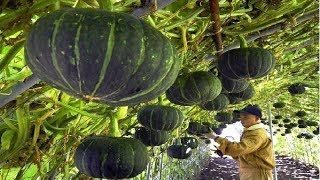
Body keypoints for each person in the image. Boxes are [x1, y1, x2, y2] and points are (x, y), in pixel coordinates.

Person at [204, 105, 276, 180]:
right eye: (241, 117)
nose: (242, 119)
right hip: (250, 172)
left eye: (245, 117)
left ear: (257, 118)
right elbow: (244, 153)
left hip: (258, 174)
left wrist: (215, 137)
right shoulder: (250, 132)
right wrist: (226, 150)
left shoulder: (257, 134)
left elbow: (239, 149)